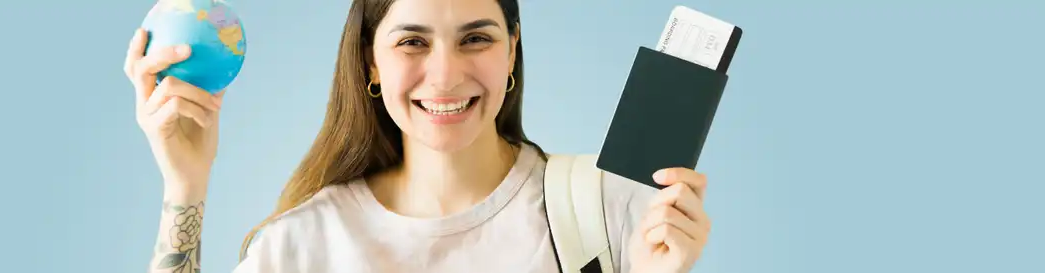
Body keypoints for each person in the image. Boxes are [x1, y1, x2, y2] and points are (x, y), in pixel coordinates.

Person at [121, 0, 714, 272]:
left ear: (512, 53)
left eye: (476, 38)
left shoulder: (616, 211)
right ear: (371, 64)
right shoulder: (302, 248)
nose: (447, 74)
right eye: (412, 41)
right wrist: (185, 183)